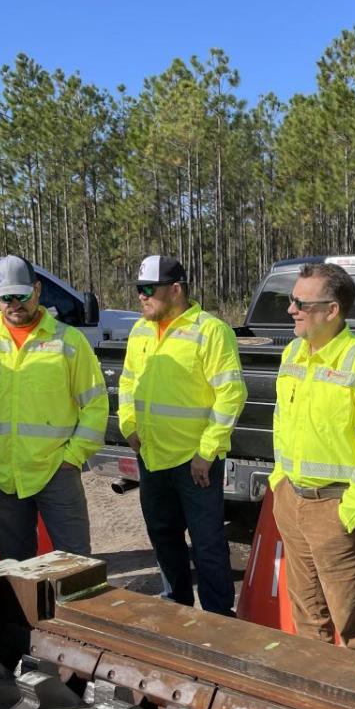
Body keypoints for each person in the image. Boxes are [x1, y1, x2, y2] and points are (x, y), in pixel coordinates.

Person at [268, 261, 355, 654]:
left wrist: (351, 512)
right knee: (307, 614)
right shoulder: (293, 353)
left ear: (332, 310)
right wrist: (279, 484)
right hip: (293, 502)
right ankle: (313, 694)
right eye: (292, 300)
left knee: (351, 623)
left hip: (337, 508)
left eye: (300, 303)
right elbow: (281, 422)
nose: (291, 309)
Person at [0, 255, 105, 559]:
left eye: (21, 295)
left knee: (75, 562)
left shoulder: (68, 341)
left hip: (56, 472)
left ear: (37, 290)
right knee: (16, 565)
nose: (14, 304)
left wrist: (73, 457)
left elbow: (95, 403)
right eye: (5, 297)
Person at [119, 255, 246, 614]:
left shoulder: (210, 331)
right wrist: (129, 425)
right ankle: (175, 607)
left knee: (207, 544)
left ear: (175, 289)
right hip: (153, 456)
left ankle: (219, 618)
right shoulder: (141, 331)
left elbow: (231, 394)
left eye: (148, 289)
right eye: (138, 289)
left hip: (195, 463)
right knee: (163, 536)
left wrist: (206, 452)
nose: (141, 297)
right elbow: (128, 382)